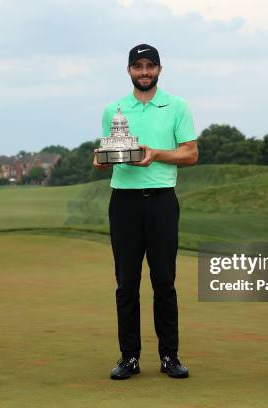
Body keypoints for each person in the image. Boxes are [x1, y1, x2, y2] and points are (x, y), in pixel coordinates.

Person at [93, 44, 198, 380]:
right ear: (129, 71)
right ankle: (130, 358)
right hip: (123, 202)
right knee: (126, 283)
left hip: (162, 200)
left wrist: (157, 154)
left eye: (150, 66)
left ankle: (169, 356)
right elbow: (110, 151)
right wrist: (99, 160)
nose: (144, 72)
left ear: (159, 70)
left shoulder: (177, 106)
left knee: (164, 282)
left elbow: (190, 154)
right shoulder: (114, 109)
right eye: (137, 66)